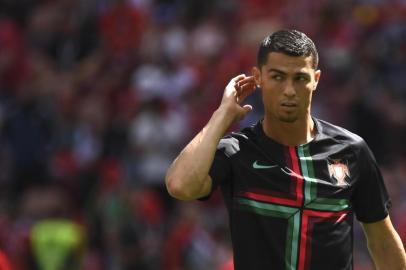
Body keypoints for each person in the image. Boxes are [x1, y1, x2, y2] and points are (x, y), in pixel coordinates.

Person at [165, 29, 406, 270]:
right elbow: (180, 185)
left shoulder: (351, 150)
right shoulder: (237, 151)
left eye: (300, 78)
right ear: (258, 78)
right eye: (278, 77)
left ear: (316, 79)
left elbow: (382, 241)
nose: (289, 90)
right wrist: (221, 116)